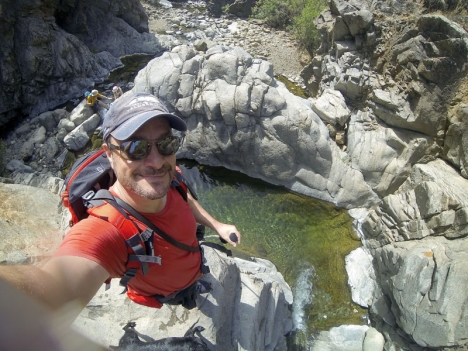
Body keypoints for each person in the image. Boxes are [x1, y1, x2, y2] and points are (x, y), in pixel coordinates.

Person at [0, 92, 241, 315]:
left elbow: (183, 197)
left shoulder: (170, 177)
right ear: (108, 154)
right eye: (136, 147)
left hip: (192, 265)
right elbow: (50, 291)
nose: (156, 161)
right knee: (184, 301)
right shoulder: (108, 228)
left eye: (166, 143)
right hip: (167, 293)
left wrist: (218, 225)